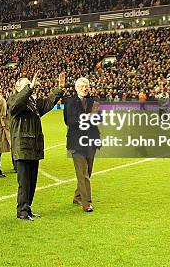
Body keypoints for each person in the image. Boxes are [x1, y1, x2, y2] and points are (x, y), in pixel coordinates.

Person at [9, 71, 65, 221]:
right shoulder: (14, 100)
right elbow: (15, 105)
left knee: (32, 181)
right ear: (18, 87)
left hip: (33, 146)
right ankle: (21, 211)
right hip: (21, 147)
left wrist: (59, 88)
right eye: (26, 85)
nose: (30, 86)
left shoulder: (32, 103)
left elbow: (47, 103)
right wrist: (30, 87)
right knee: (24, 182)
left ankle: (28, 208)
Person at [63, 77, 101, 213]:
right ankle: (87, 202)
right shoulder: (69, 102)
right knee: (83, 172)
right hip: (76, 142)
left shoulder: (94, 101)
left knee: (88, 171)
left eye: (86, 86)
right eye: (82, 86)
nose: (84, 89)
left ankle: (78, 196)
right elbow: (69, 121)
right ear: (76, 88)